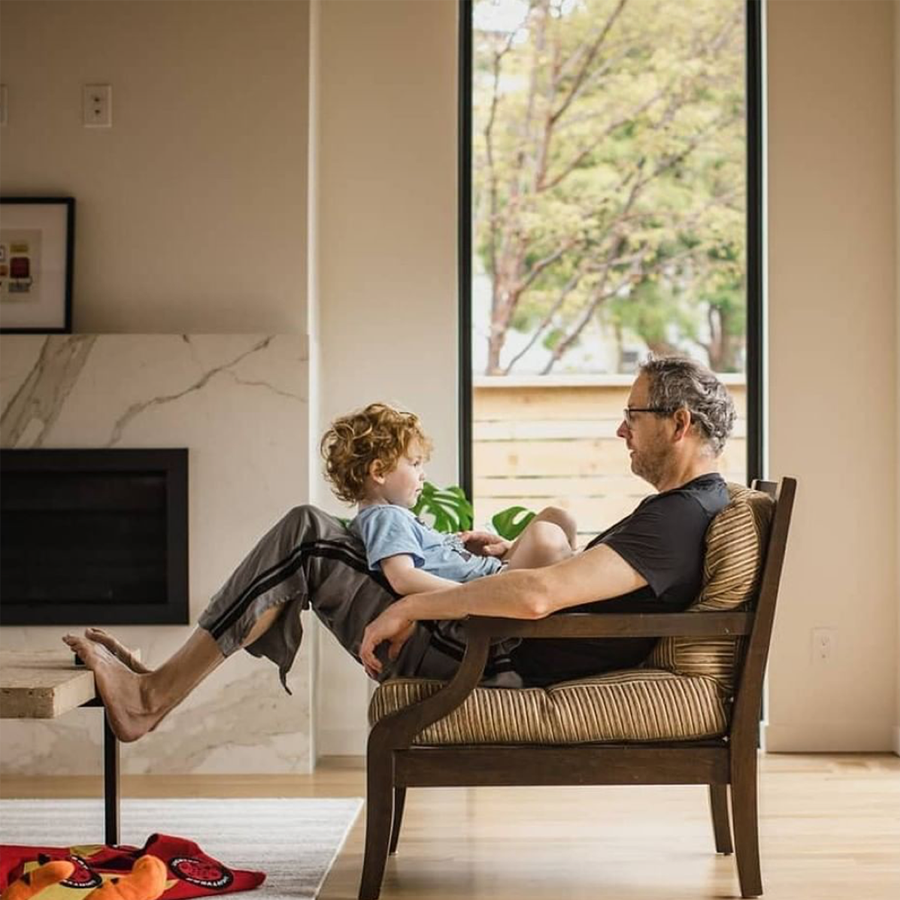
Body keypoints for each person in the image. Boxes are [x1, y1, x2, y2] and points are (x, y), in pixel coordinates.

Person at [64, 355, 735, 742]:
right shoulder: (686, 512)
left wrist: (410, 610)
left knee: (305, 533)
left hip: (486, 652)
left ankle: (152, 697)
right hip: (493, 638)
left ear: (678, 424)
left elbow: (537, 595)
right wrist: (506, 550)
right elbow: (564, 580)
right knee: (311, 539)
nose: (621, 429)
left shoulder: (678, 516)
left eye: (633, 415)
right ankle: (160, 684)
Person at [320, 402, 577, 606]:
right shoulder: (384, 517)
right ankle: (575, 596)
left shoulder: (391, 516)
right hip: (495, 587)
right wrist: (468, 593)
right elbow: (402, 578)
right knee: (548, 534)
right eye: (415, 463)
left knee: (557, 517)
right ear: (379, 471)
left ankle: (573, 584)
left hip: (496, 573)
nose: (423, 474)